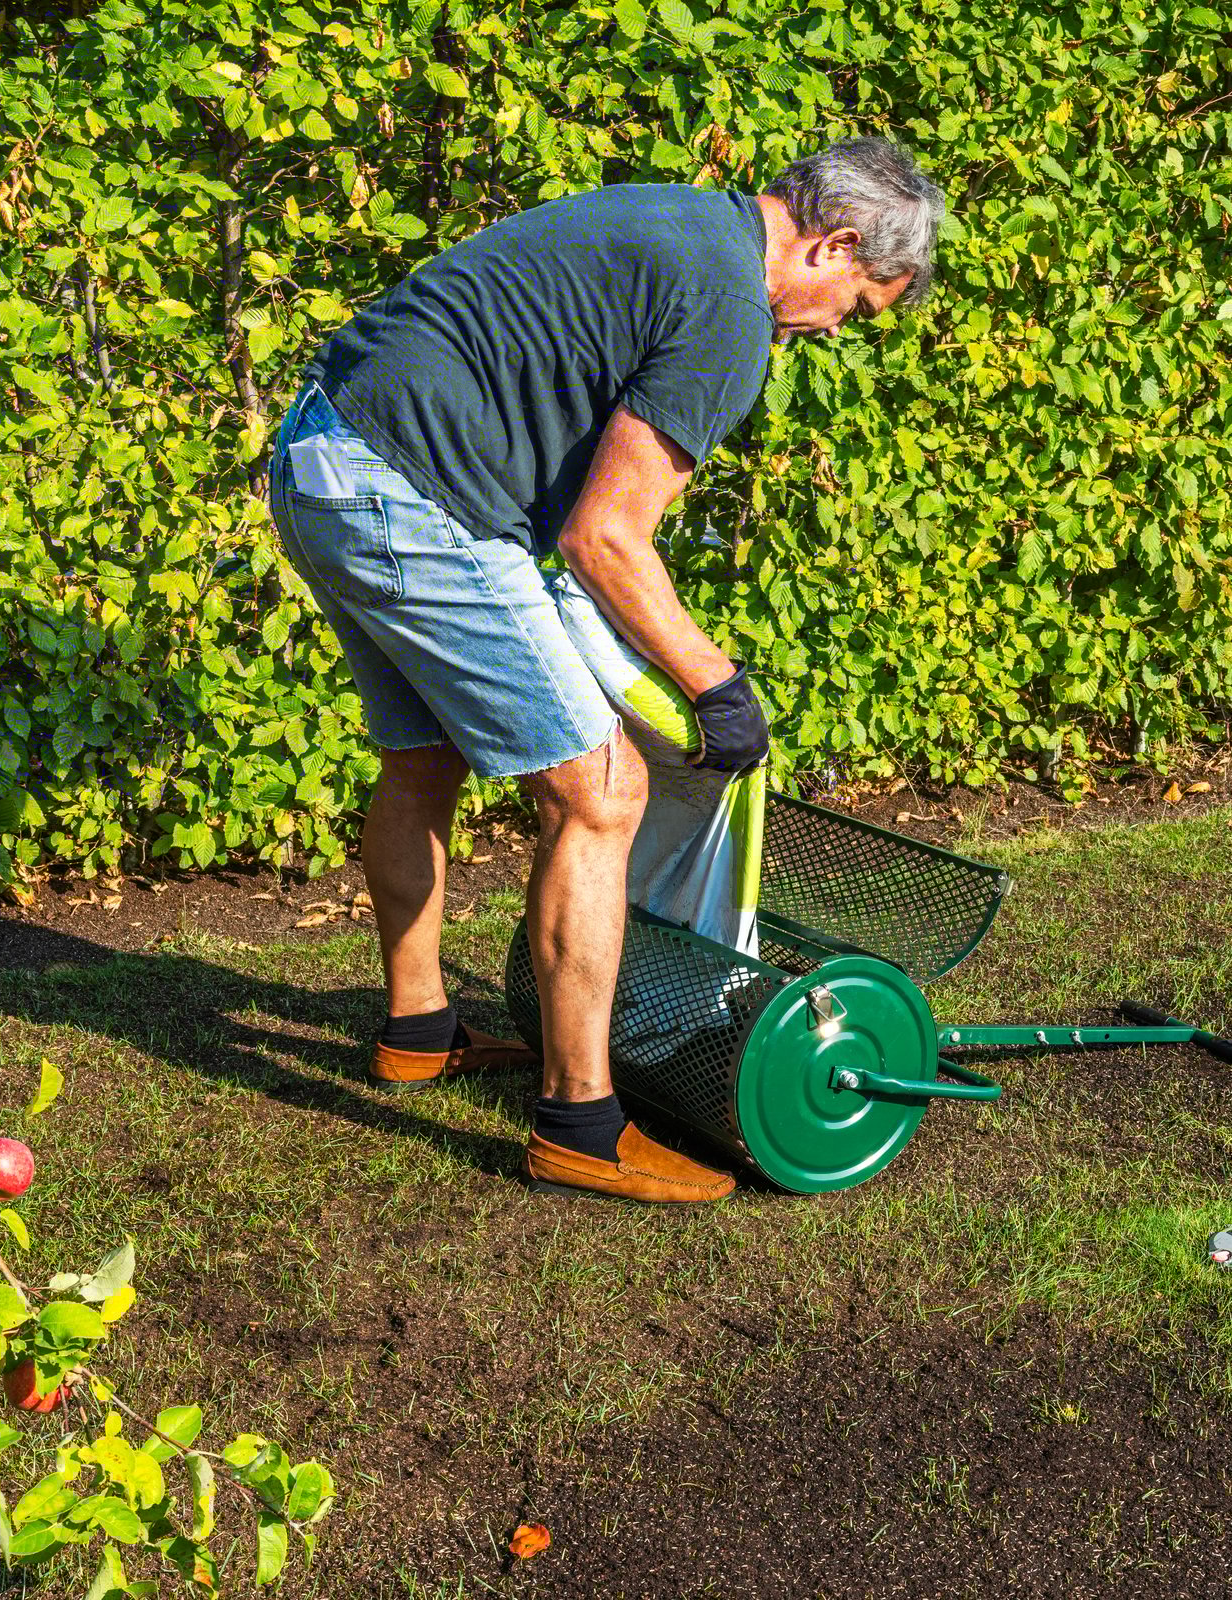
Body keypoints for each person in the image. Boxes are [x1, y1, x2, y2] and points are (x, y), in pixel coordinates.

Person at [266, 138, 945, 1203]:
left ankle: (417, 1030)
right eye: (857, 305)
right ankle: (580, 1121)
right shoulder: (730, 308)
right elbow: (605, 538)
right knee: (603, 791)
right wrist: (719, 684)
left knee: (422, 751)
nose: (835, 330)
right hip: (408, 491)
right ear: (837, 243)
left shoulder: (679, 220)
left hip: (318, 458)